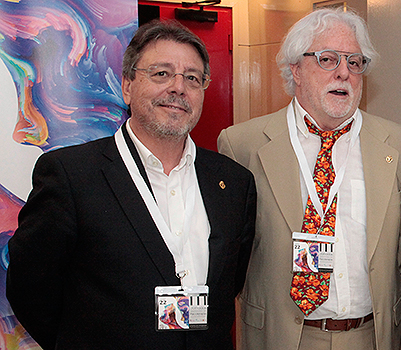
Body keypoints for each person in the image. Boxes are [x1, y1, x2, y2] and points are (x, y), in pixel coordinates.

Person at [6, 20, 257, 350]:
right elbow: (30, 287)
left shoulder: (233, 182)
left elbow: (230, 282)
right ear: (127, 85)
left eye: (192, 79)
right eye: (161, 73)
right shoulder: (71, 175)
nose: (179, 88)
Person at [217, 8, 401, 350]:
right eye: (328, 59)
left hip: (369, 336)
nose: (344, 73)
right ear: (296, 68)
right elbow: (232, 258)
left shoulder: (400, 146)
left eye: (355, 63)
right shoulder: (243, 145)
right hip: (281, 337)